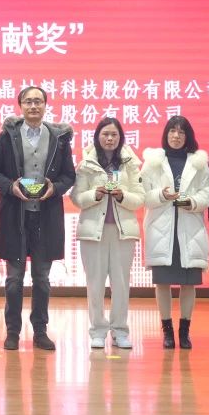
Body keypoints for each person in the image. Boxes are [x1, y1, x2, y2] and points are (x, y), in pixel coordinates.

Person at [0, 85, 75, 352]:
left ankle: (40, 332)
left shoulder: (59, 139)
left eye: (38, 101)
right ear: (20, 106)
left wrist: (55, 189)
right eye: (28, 101)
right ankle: (13, 332)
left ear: (46, 105)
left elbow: (69, 175)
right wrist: (10, 186)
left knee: (42, 279)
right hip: (15, 216)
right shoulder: (7, 136)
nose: (34, 106)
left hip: (46, 218)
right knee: (14, 280)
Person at [71, 118, 144, 349]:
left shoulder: (130, 163)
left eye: (114, 134)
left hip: (123, 232)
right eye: (105, 134)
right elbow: (76, 198)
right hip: (93, 231)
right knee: (95, 284)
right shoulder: (87, 163)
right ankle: (97, 331)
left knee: (121, 283)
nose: (110, 139)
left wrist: (122, 196)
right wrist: (95, 194)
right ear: (97, 136)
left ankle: (120, 331)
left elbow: (140, 198)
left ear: (120, 137)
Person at [141, 115, 209, 350]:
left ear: (188, 136)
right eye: (172, 131)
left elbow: (207, 192)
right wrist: (161, 195)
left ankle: (184, 331)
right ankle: (167, 331)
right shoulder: (153, 162)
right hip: (162, 229)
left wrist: (192, 202)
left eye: (181, 132)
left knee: (188, 283)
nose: (176, 136)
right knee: (162, 283)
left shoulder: (198, 162)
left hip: (189, 230)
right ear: (166, 134)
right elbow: (143, 195)